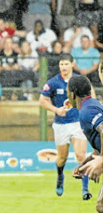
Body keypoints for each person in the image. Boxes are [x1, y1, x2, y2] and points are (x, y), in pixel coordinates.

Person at [39, 54, 91, 200]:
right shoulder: (53, 82)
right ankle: (60, 176)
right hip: (61, 125)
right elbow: (42, 100)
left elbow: (90, 96)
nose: (63, 66)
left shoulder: (79, 81)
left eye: (66, 64)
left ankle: (85, 189)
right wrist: (57, 110)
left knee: (81, 155)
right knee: (62, 158)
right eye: (61, 64)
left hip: (78, 123)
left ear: (72, 65)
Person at [68, 74, 103, 213]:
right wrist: (84, 164)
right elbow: (98, 146)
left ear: (72, 94)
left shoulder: (87, 110)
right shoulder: (91, 105)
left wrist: (101, 159)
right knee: (101, 206)